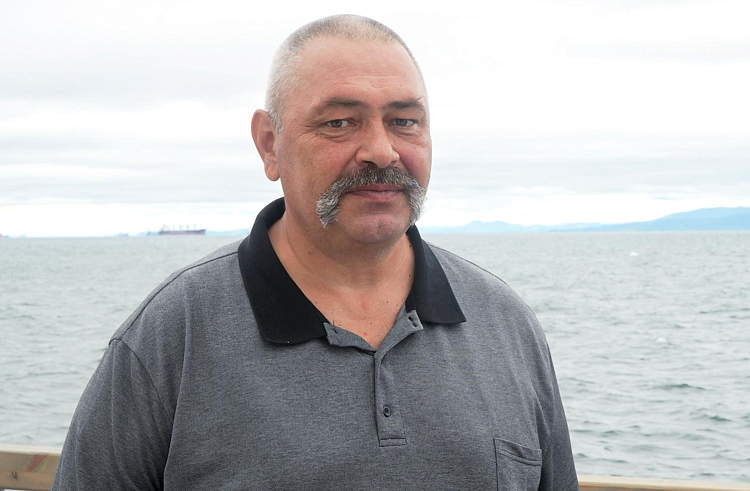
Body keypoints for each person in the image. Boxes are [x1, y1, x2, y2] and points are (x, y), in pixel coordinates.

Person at [52, 14, 578, 490]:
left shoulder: (506, 324)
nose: (381, 151)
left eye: (404, 121)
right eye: (339, 122)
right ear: (269, 144)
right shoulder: (175, 333)